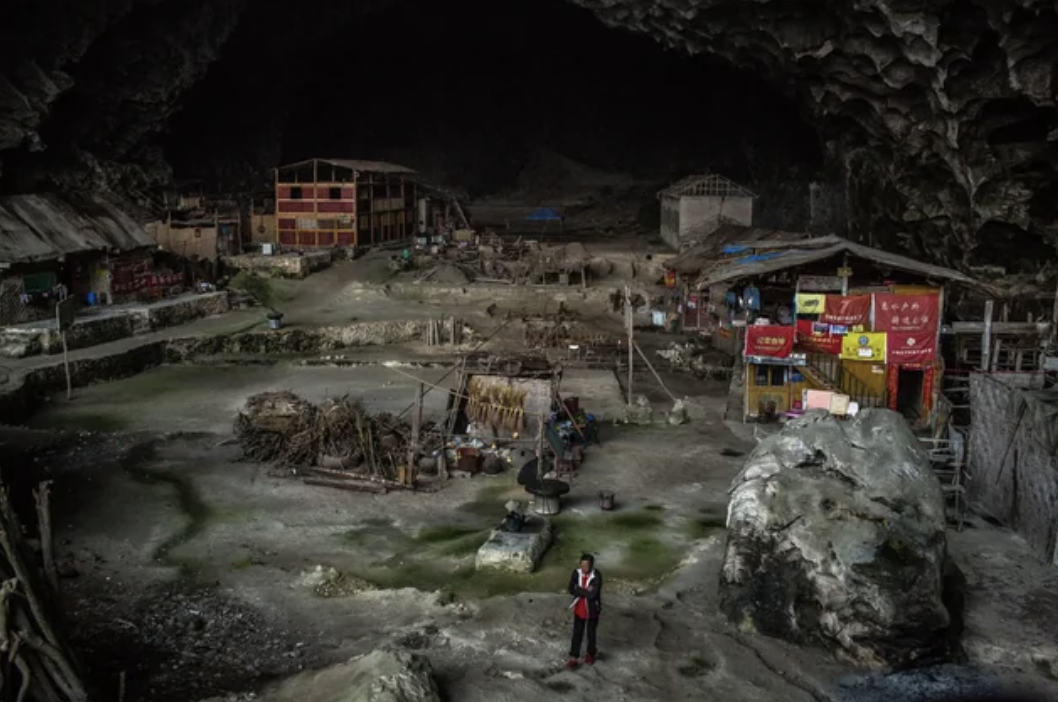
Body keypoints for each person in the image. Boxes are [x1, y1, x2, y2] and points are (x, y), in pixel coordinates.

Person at [566, 553, 602, 668]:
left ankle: (590, 654)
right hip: (579, 608)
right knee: (577, 633)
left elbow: (593, 595)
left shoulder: (597, 575)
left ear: (591, 566)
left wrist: (579, 589)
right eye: (582, 566)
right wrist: (585, 590)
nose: (584, 568)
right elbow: (571, 588)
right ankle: (574, 657)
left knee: (591, 634)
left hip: (592, 609)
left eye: (586, 566)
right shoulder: (576, 573)